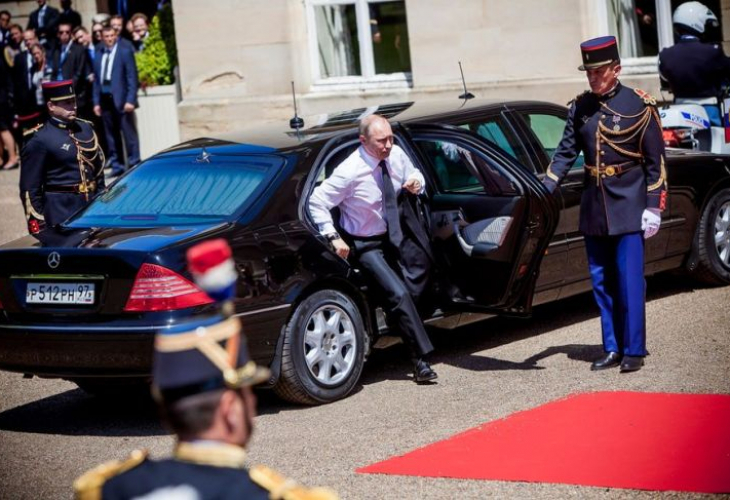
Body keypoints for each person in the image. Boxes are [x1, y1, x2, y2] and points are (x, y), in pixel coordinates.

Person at [73, 239, 338, 500]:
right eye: (248, 395)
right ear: (230, 409)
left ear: (166, 408)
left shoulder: (106, 489)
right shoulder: (273, 495)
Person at [542, 36, 667, 373]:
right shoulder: (580, 107)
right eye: (589, 72)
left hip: (629, 204)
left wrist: (654, 206)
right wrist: (546, 186)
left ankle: (634, 350)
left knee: (629, 280)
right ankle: (611, 347)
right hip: (595, 206)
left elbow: (656, 163)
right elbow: (566, 152)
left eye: (598, 72)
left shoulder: (639, 105)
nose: (592, 78)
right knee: (601, 282)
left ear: (617, 69)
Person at [308, 114, 438, 383]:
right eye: (381, 141)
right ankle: (420, 361)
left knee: (422, 274)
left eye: (390, 138)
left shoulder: (396, 154)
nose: (388, 145)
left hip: (397, 233)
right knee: (399, 294)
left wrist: (416, 182)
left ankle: (397, 322)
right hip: (366, 244)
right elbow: (316, 201)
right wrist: (333, 236)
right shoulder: (349, 170)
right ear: (363, 140)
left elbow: (414, 173)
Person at [19, 80, 105, 234]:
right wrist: (42, 228)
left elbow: (98, 173)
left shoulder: (86, 128)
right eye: (67, 103)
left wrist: (103, 205)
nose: (74, 106)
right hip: (61, 215)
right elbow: (30, 189)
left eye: (74, 101)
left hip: (92, 213)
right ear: (51, 106)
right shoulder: (40, 139)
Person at [658, 1, 730, 126]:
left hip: (679, 111)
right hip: (709, 110)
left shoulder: (665, 55)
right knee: (720, 143)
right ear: (698, 23)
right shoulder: (712, 52)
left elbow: (665, 82)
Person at [93, 25, 140, 175]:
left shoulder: (124, 52)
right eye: (106, 36)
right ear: (102, 37)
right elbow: (96, 80)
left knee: (128, 133)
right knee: (111, 135)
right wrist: (96, 102)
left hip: (121, 99)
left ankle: (134, 163)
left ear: (116, 35)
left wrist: (130, 100)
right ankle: (117, 165)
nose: (109, 39)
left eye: (112, 36)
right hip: (105, 98)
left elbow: (132, 77)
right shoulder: (99, 53)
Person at [51, 22, 90, 114]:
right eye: (61, 32)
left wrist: (68, 89)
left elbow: (79, 72)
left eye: (67, 32)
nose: (64, 34)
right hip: (59, 94)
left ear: (71, 34)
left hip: (74, 93)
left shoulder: (79, 49)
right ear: (57, 34)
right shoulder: (56, 50)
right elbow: (54, 72)